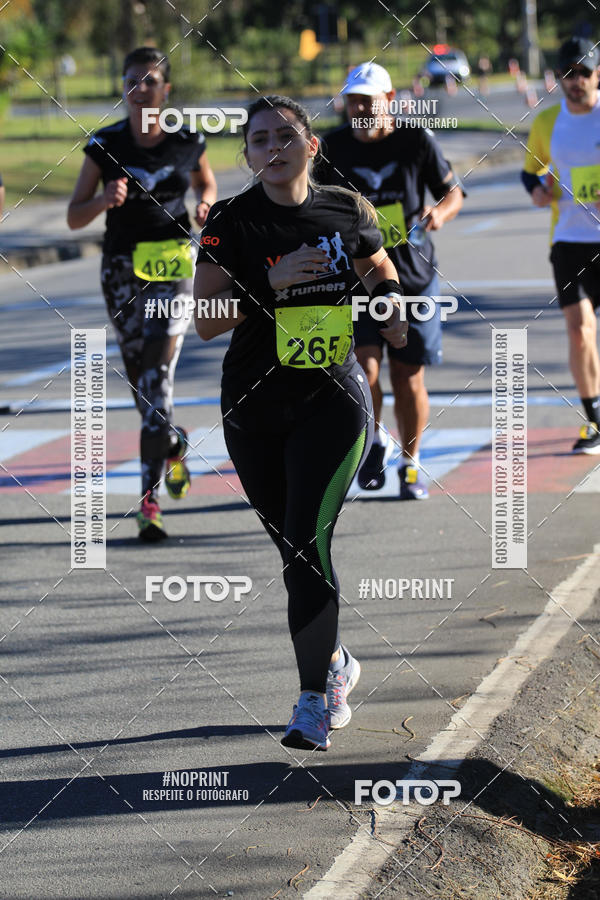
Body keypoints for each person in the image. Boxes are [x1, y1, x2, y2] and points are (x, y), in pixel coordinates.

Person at [194, 95, 407, 751]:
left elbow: (381, 269)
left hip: (332, 403)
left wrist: (393, 313)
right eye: (260, 140)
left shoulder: (346, 208)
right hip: (254, 409)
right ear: (249, 155)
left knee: (307, 542)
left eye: (286, 135)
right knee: (293, 551)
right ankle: (334, 662)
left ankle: (312, 700)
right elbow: (205, 319)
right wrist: (271, 283)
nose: (274, 148)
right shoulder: (231, 222)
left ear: (311, 146)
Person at [67, 46, 217, 539]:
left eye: (151, 81)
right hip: (121, 272)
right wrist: (102, 200)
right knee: (141, 380)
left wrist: (205, 206)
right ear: (123, 89)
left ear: (165, 90)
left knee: (156, 372)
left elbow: (207, 184)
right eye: (133, 81)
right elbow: (74, 215)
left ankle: (148, 504)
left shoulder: (186, 140)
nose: (142, 90)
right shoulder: (104, 145)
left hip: (173, 268)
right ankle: (172, 441)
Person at [317, 62, 465, 499]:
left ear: (390, 100)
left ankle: (412, 461)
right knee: (364, 370)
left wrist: (439, 212)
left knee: (408, 375)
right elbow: (312, 200)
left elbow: (453, 192)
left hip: (412, 276)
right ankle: (374, 443)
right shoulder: (331, 147)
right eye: (353, 100)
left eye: (368, 100)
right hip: (356, 277)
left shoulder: (415, 139)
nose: (359, 108)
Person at [522, 36, 600, 454]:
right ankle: (595, 418)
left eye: (584, 72)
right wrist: (537, 190)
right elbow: (530, 171)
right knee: (580, 331)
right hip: (569, 240)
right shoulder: (548, 122)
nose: (576, 81)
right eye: (568, 74)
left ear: (598, 74)